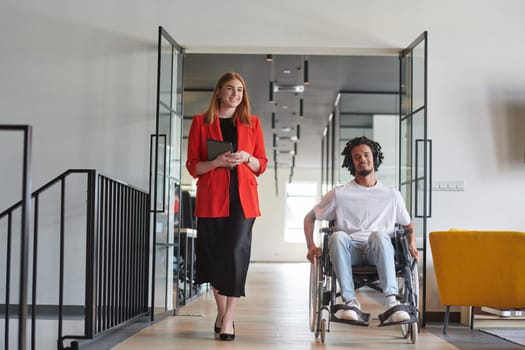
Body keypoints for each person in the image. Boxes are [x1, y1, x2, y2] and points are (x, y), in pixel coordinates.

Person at [303, 136, 419, 326]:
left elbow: (408, 225)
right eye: (357, 157)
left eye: (366, 155)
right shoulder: (339, 194)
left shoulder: (392, 195)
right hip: (350, 251)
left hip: (378, 250)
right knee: (338, 235)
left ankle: (391, 301)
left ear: (374, 157)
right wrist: (310, 246)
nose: (362, 159)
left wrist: (412, 245)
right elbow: (309, 218)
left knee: (380, 235)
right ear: (351, 162)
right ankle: (350, 302)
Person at [185, 72, 267, 341]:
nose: (235, 94)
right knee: (212, 258)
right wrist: (217, 163)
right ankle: (221, 312)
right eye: (230, 89)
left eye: (240, 90)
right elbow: (194, 166)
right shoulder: (200, 122)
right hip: (211, 201)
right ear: (219, 92)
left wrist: (247, 157)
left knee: (234, 256)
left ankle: (229, 319)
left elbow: (261, 166)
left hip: (243, 202)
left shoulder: (253, 123)